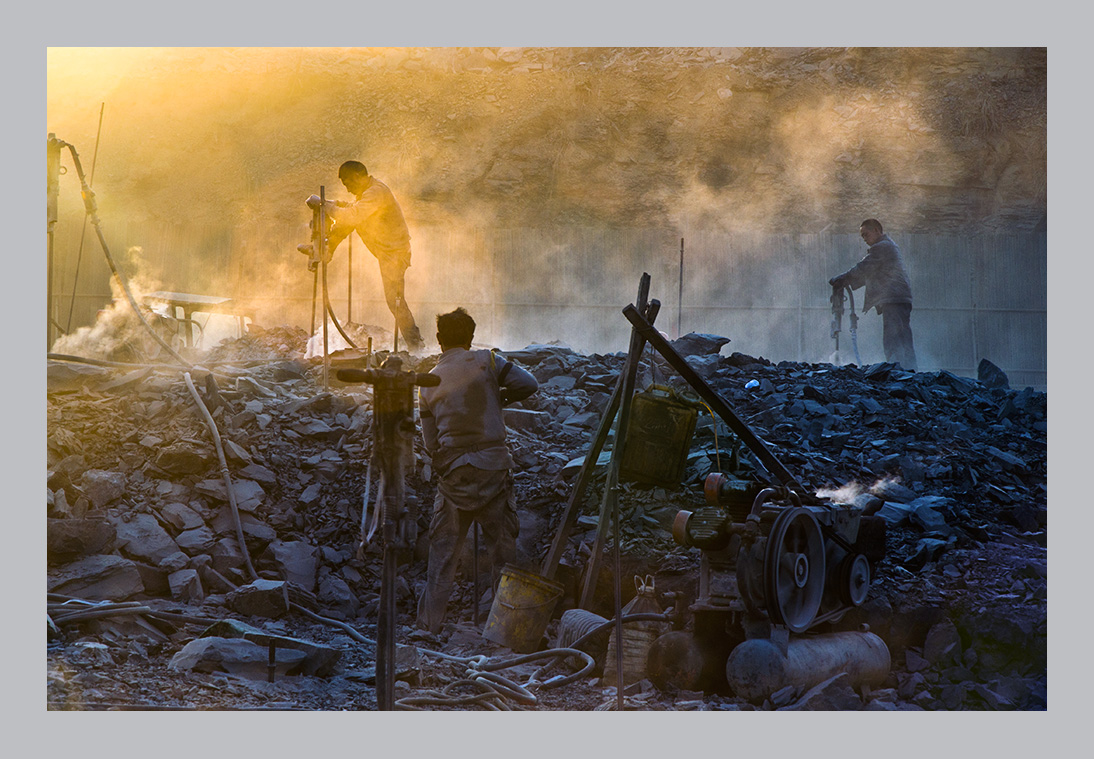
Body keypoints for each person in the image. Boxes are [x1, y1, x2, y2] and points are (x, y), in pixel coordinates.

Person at [415, 307, 539, 633]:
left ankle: (429, 627)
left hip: (455, 477)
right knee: (504, 555)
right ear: (470, 338)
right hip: (494, 469)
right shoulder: (487, 361)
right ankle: (505, 628)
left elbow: (431, 445)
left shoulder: (427, 383)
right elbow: (530, 383)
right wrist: (500, 397)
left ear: (439, 339)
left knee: (442, 558)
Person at [316, 160, 425, 350]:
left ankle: (415, 345)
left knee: (395, 301)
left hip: (395, 253)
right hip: (388, 251)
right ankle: (328, 248)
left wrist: (325, 206)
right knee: (395, 301)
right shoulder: (365, 194)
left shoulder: (376, 192)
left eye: (348, 183)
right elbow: (350, 211)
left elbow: (352, 215)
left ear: (357, 176)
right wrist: (332, 205)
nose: (348, 189)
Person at [829, 218, 918, 371]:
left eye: (866, 234)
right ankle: (909, 372)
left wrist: (841, 279)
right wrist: (846, 281)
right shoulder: (889, 246)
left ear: (876, 230)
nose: (864, 239)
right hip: (899, 298)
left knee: (893, 338)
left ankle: (897, 372)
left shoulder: (882, 247)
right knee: (902, 338)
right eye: (862, 236)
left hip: (894, 298)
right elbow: (868, 273)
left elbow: (864, 268)